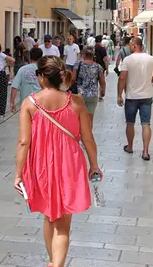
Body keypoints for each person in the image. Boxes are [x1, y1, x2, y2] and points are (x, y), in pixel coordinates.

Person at [14, 56, 101, 267]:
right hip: (70, 165)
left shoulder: (30, 103)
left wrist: (18, 174)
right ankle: (56, 264)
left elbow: (24, 142)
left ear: (42, 78)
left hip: (42, 165)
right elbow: (88, 138)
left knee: (49, 216)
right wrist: (94, 165)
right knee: (63, 224)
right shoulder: (76, 102)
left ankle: (54, 262)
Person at [117, 37, 153, 161]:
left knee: (130, 123)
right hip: (147, 96)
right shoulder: (150, 58)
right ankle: (146, 152)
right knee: (146, 123)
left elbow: (122, 77)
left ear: (134, 45)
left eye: (131, 45)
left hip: (132, 96)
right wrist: (150, 81)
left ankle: (130, 147)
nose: (129, 47)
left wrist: (119, 95)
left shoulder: (128, 60)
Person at [72, 48, 105, 127]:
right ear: (93, 56)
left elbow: (73, 79)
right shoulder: (98, 67)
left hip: (80, 95)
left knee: (78, 116)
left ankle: (79, 134)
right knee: (90, 117)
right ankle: (88, 134)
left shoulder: (78, 64)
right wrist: (102, 91)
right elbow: (102, 82)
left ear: (84, 55)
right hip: (92, 96)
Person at [10, 47, 44, 114]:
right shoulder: (44, 70)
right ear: (41, 58)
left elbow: (14, 86)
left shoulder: (22, 69)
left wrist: (12, 102)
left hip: (25, 103)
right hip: (40, 104)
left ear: (30, 57)